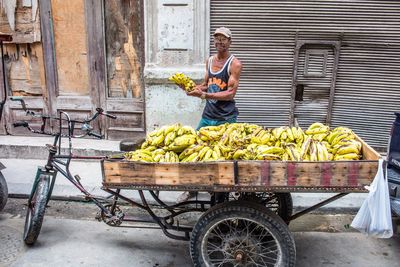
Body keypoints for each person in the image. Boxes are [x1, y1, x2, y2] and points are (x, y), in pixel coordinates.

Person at [177, 26, 243, 203]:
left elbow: (230, 93)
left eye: (224, 38)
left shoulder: (234, 64)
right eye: (217, 38)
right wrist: (193, 89)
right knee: (193, 150)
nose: (220, 41)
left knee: (223, 157)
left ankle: (221, 194)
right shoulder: (209, 61)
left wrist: (205, 95)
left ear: (230, 42)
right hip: (208, 116)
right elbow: (207, 84)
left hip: (226, 118)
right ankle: (192, 189)